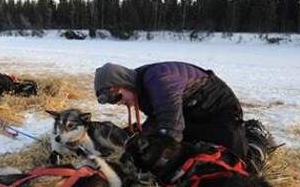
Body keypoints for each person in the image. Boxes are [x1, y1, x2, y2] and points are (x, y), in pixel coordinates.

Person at [94, 61, 250, 159]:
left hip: (218, 108)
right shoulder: (139, 87)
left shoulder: (160, 80)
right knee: (194, 152)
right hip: (190, 114)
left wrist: (158, 162)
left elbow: (171, 127)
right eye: (113, 103)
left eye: (116, 98)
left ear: (123, 83)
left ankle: (255, 137)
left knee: (240, 160)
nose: (119, 103)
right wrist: (130, 141)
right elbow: (157, 120)